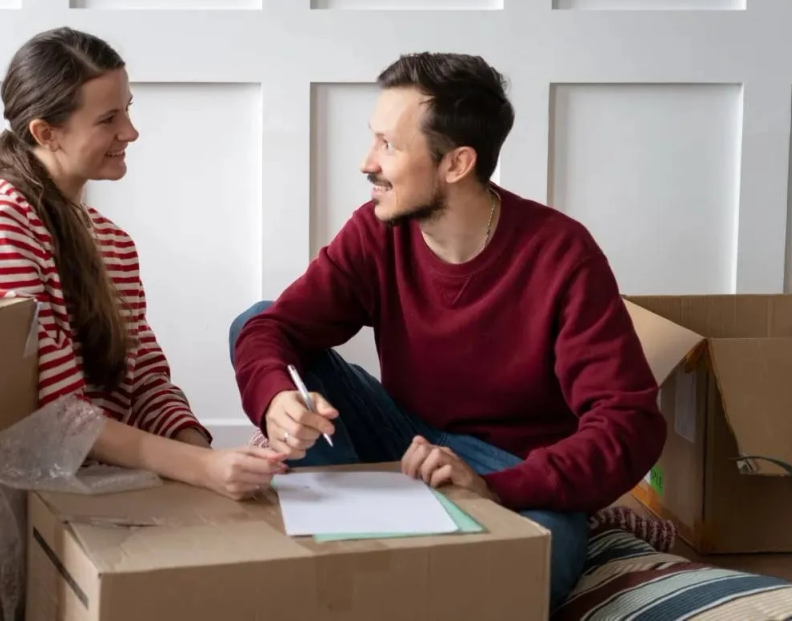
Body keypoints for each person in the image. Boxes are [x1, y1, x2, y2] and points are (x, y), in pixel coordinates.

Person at [228, 52, 664, 607]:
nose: (367, 162)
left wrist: (496, 487)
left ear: (456, 163)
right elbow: (270, 329)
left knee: (537, 566)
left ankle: (388, 561)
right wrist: (275, 399)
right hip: (404, 438)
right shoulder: (376, 232)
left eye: (388, 145)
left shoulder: (561, 253)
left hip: (511, 467)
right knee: (255, 322)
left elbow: (629, 423)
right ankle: (350, 533)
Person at [0, 27, 287, 501]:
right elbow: (57, 417)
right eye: (108, 119)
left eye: (128, 109)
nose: (131, 132)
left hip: (98, 481)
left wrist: (207, 454)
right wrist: (202, 469)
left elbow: (143, 382)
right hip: (29, 498)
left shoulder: (112, 242)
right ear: (46, 133)